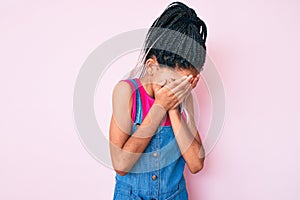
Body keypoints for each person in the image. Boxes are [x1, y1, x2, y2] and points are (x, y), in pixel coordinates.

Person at [109, 2, 207, 199]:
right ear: (152, 67)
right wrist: (160, 106)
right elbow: (121, 164)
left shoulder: (183, 100)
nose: (179, 91)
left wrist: (174, 110)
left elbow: (196, 164)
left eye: (185, 84)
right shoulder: (126, 92)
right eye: (173, 83)